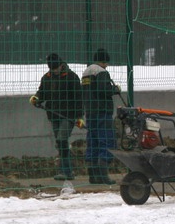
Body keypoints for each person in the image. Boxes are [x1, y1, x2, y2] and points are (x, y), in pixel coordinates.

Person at [30, 53, 83, 181]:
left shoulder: (71, 77)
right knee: (60, 143)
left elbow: (78, 98)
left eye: (56, 68)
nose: (54, 71)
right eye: (52, 69)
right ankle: (66, 171)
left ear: (61, 65)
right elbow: (42, 92)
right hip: (53, 115)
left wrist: (79, 116)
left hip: (68, 116)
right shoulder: (47, 78)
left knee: (61, 139)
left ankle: (66, 171)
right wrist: (37, 98)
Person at [80, 48, 120, 185]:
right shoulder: (101, 72)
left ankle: (93, 176)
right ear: (104, 61)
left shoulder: (86, 73)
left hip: (90, 112)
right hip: (102, 112)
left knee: (93, 141)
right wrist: (115, 89)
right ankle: (103, 176)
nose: (107, 65)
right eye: (106, 62)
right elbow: (103, 90)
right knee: (107, 141)